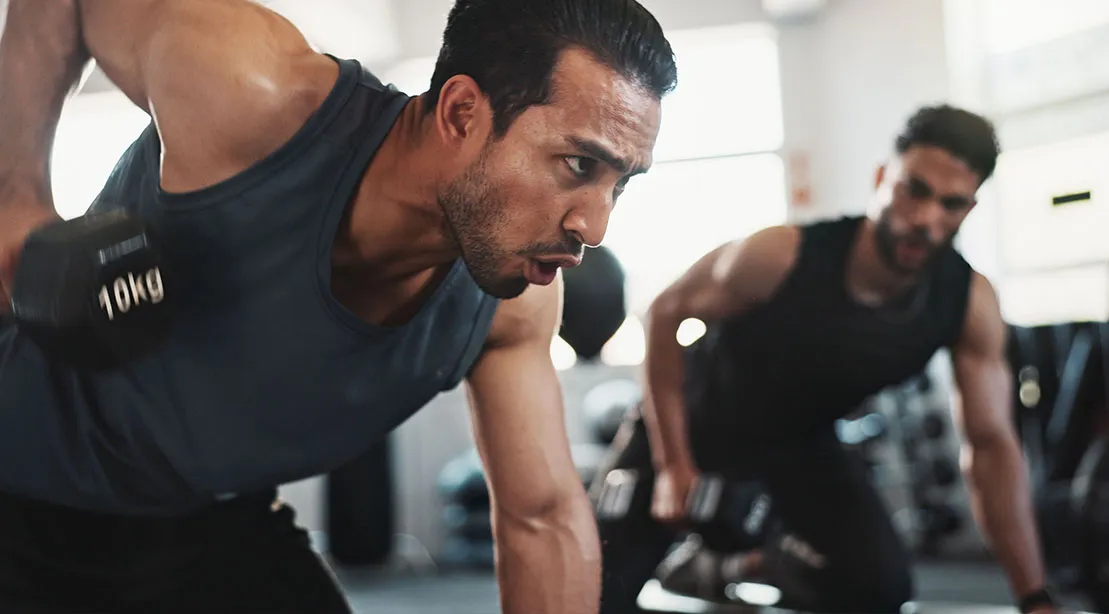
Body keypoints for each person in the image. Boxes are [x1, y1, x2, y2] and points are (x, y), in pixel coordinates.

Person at [0, 0, 676, 611]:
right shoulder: (249, 88)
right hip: (21, 478)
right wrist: (17, 196)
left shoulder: (513, 306)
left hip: (212, 519)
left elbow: (543, 518)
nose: (595, 226)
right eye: (578, 166)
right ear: (462, 112)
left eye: (621, 185)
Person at [592, 105, 1059, 614]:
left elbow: (991, 447)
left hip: (800, 444)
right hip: (697, 422)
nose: (926, 218)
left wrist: (1033, 597)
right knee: (591, 592)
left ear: (968, 210)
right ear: (884, 178)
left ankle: (726, 567)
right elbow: (664, 313)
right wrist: (672, 465)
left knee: (879, 590)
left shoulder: (967, 302)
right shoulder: (781, 255)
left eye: (951, 203)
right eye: (914, 190)